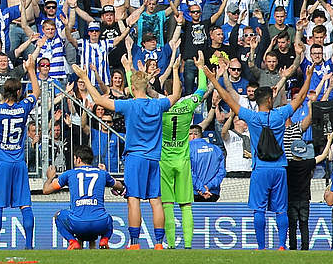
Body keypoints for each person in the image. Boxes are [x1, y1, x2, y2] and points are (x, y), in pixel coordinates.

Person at [76, 59, 181, 248]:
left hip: (135, 158)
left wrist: (85, 78)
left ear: (133, 87)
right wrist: (174, 70)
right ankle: (159, 243)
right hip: (154, 158)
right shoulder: (157, 105)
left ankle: (134, 242)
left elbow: (99, 100)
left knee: (133, 200)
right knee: (156, 201)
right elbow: (176, 94)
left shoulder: (130, 105)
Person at [205, 61, 307, 249]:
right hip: (279, 168)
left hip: (260, 168)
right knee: (281, 210)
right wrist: (308, 77)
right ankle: (282, 245)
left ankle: (261, 247)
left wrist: (212, 78)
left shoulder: (251, 117)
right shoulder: (279, 115)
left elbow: (228, 99)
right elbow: (300, 98)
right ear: (270, 100)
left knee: (259, 209)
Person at [0, 70, 40, 249]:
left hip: (0, 163)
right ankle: (29, 246)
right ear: (19, 92)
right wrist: (31, 68)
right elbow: (36, 91)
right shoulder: (24, 107)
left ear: (4, 91)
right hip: (19, 162)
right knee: (25, 205)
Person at [159, 58, 209, 248]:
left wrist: (130, 71)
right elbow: (202, 89)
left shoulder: (160, 106)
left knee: (168, 205)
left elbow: (136, 94)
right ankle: (188, 245)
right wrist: (200, 68)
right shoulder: (188, 104)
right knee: (186, 205)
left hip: (165, 160)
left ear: (166, 92)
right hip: (183, 159)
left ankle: (171, 245)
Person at [41, 146, 125, 249]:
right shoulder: (102, 173)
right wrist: (107, 176)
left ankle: (72, 242)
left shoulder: (69, 174)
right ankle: (104, 240)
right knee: (108, 218)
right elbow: (119, 186)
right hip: (99, 223)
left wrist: (50, 178)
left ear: (78, 159)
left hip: (78, 223)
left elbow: (46, 190)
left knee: (58, 216)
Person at [188, 125, 224, 202]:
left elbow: (188, 172)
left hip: (194, 192)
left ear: (193, 135)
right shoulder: (216, 149)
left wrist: (201, 189)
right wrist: (208, 186)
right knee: (210, 214)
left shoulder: (187, 149)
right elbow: (222, 172)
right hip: (212, 192)